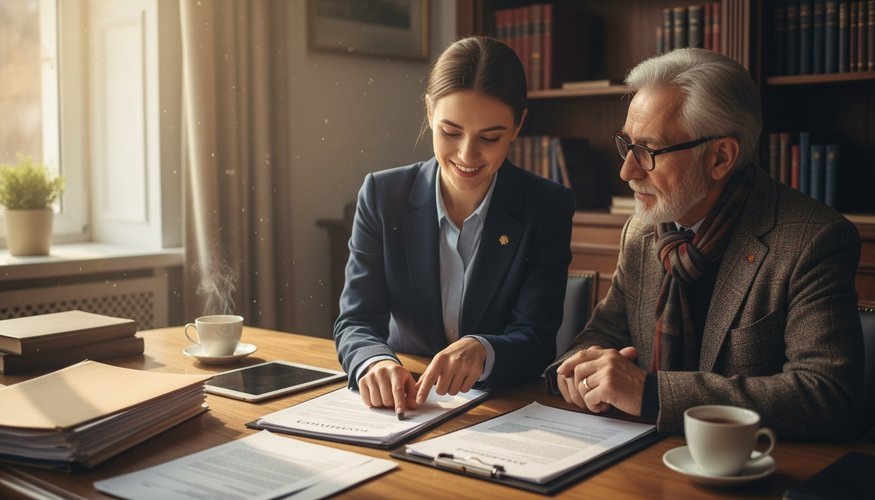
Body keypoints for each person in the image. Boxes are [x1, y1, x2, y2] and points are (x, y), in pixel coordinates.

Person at [547, 48, 863, 439]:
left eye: (648, 151)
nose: (626, 171)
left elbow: (827, 395)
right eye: (626, 144)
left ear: (720, 158)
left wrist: (651, 394)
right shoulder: (642, 232)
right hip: (636, 452)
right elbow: (602, 336)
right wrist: (579, 370)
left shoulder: (812, 240)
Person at [335, 36, 574, 417]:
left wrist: (484, 350)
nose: (467, 154)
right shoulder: (382, 195)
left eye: (490, 137)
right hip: (404, 401)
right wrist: (374, 362)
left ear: (518, 125)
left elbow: (537, 338)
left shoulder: (547, 206)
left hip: (500, 409)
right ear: (430, 112)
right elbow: (356, 320)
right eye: (450, 132)